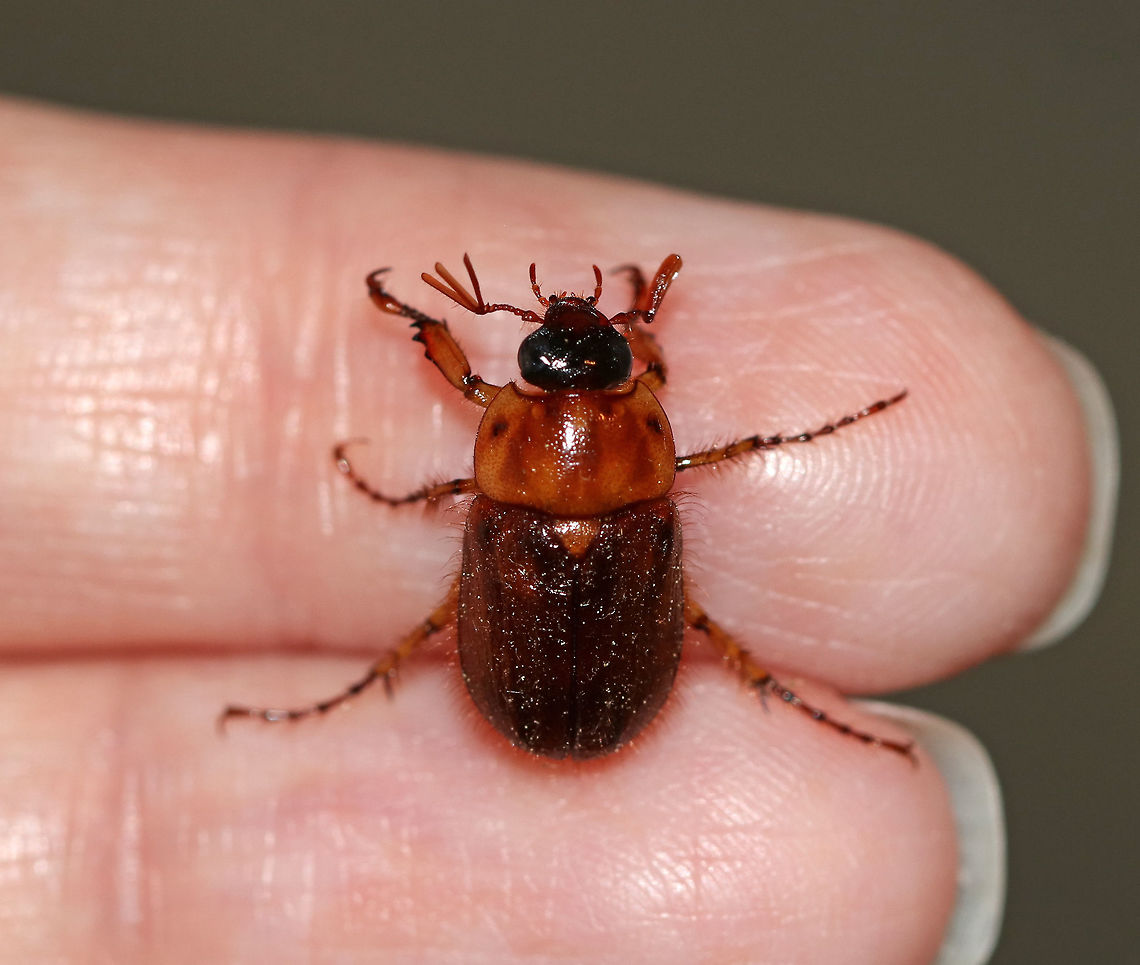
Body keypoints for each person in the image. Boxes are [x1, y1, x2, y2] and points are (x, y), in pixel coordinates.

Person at [0, 97, 1114, 964]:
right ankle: (390, 689)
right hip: (582, 670)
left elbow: (497, 417)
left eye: (588, 347)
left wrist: (422, 337)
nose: (572, 346)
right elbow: (639, 392)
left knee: (467, 611)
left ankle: (371, 688)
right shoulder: (631, 437)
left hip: (544, 671)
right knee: (667, 619)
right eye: (556, 349)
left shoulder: (521, 445)